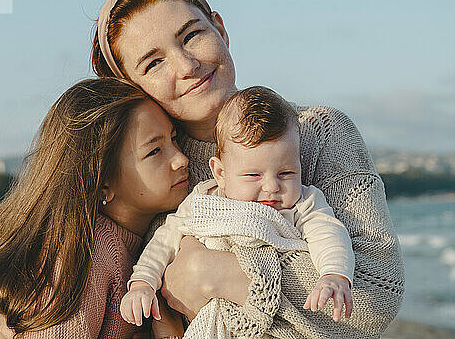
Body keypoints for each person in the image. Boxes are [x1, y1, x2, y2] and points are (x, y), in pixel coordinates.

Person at [92, 0, 405, 338]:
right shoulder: (150, 173)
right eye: (153, 63)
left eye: (192, 35)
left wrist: (220, 275)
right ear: (132, 88)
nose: (186, 66)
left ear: (220, 30)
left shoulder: (319, 132)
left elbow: (377, 294)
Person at [0, 78, 186, 338]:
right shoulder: (85, 254)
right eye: (154, 151)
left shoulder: (125, 242)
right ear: (101, 183)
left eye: (174, 139)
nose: (181, 159)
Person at [121, 86, 355, 337]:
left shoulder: (303, 202)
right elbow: (164, 242)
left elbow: (329, 234)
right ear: (220, 173)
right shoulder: (204, 200)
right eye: (253, 175)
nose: (272, 187)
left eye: (286, 173)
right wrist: (142, 283)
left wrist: (334, 274)